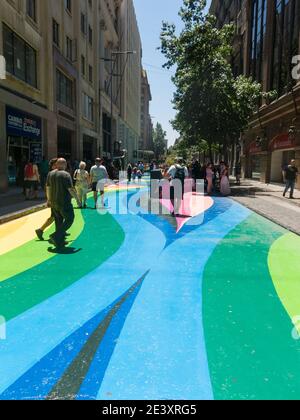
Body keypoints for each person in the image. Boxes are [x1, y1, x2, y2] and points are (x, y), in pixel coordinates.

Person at [46, 158, 81, 249]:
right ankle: (56, 235)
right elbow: (71, 189)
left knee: (58, 221)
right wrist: (78, 199)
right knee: (70, 219)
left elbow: (48, 188)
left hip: (54, 202)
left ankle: (59, 241)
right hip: (64, 202)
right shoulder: (66, 175)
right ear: (65, 165)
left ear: (57, 164)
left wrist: (49, 200)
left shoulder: (50, 174)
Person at [35, 158, 58, 241]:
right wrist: (49, 199)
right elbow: (48, 187)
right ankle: (41, 230)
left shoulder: (55, 173)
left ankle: (41, 230)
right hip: (54, 199)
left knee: (54, 217)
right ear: (53, 166)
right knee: (54, 217)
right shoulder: (51, 174)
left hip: (56, 198)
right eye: (56, 164)